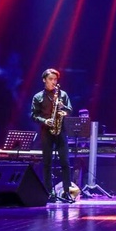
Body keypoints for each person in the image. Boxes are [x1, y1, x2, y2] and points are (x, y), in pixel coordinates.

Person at [30, 68, 74, 203]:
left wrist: (63, 108)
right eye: (51, 79)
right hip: (46, 131)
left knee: (65, 162)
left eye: (55, 79)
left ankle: (67, 191)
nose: (53, 82)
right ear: (44, 80)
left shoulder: (63, 94)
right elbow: (33, 115)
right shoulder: (38, 97)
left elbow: (70, 110)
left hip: (61, 130)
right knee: (47, 163)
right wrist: (45, 121)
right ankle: (49, 192)